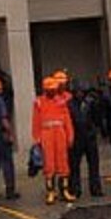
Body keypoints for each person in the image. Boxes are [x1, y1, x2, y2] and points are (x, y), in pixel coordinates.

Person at [33, 77, 75, 205]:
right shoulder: (39, 102)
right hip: (47, 134)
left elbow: (67, 120)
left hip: (60, 133)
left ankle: (65, 190)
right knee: (49, 164)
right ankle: (51, 191)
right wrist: (37, 138)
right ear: (45, 89)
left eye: (54, 89)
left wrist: (70, 136)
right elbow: (36, 121)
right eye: (50, 90)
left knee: (63, 163)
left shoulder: (61, 101)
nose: (52, 92)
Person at [67, 81, 103, 199]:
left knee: (93, 164)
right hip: (76, 137)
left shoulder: (89, 103)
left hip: (90, 136)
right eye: (78, 91)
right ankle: (75, 189)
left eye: (82, 92)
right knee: (74, 165)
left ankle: (96, 188)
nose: (80, 94)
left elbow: (97, 118)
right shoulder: (70, 105)